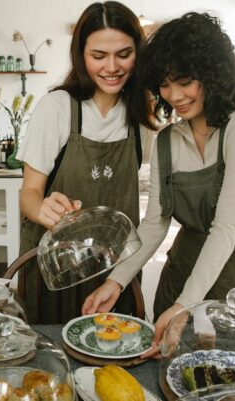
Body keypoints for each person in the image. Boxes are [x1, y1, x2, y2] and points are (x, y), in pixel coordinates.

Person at [82, 12, 235, 355]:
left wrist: (187, 304)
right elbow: (155, 222)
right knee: (173, 373)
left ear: (213, 74)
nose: (174, 95)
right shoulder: (167, 141)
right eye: (164, 83)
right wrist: (117, 279)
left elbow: (228, 227)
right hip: (182, 271)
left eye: (185, 81)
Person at [16, 1, 155, 323]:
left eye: (124, 54)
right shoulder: (57, 107)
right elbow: (29, 194)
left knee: (113, 354)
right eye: (98, 56)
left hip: (115, 269)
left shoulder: (141, 117)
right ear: (81, 55)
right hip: (57, 264)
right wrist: (42, 209)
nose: (112, 67)